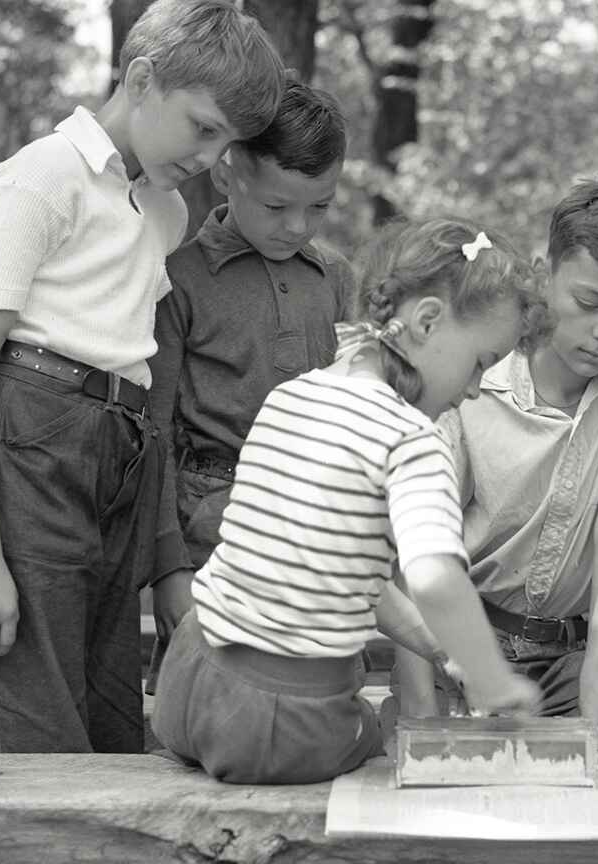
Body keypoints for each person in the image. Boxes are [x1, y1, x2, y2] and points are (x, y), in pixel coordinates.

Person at [0, 0, 284, 753]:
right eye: (204, 127)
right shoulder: (44, 177)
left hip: (118, 455)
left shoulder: (164, 211)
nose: (214, 157)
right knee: (23, 715)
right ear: (142, 77)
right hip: (26, 443)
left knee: (104, 711)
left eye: (229, 142)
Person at [151, 218, 545, 784]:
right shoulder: (411, 439)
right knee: (373, 742)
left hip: (189, 681)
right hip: (278, 720)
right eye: (482, 361)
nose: (477, 388)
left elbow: (343, 572)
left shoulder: (293, 397)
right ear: (428, 320)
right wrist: (491, 678)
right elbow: (435, 579)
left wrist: (440, 650)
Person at [396, 173, 598, 750]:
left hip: (570, 655)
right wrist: (421, 701)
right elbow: (415, 555)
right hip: (461, 641)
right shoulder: (473, 365)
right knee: (446, 764)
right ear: (542, 274)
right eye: (588, 303)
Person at [145, 81, 358, 686]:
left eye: (319, 207)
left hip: (316, 529)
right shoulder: (178, 279)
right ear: (226, 173)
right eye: (275, 206)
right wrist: (167, 568)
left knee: (314, 696)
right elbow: (154, 430)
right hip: (210, 530)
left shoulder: (337, 278)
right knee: (201, 696)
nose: (297, 226)